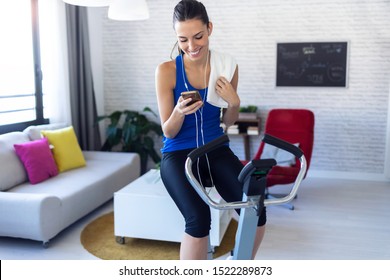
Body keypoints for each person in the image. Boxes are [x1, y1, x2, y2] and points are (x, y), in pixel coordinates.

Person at [155, 0, 266, 260]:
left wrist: (234, 101)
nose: (191, 46)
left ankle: (239, 265)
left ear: (210, 29)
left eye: (198, 36)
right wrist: (178, 112)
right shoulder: (167, 71)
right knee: (198, 220)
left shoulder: (227, 67)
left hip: (216, 149)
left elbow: (227, 122)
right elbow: (168, 132)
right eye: (183, 40)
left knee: (255, 210)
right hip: (179, 154)